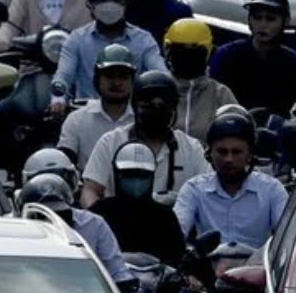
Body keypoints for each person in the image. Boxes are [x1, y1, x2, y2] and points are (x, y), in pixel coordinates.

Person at [81, 70, 212, 206]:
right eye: (148, 105)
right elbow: (90, 190)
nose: (156, 110)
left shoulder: (191, 148)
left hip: (174, 225)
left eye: (163, 105)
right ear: (135, 106)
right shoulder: (111, 142)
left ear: (174, 108)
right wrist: (97, 222)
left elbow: (207, 194)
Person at [174, 111, 287, 250]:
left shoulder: (272, 189)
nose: (229, 159)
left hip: (257, 268)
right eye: (222, 152)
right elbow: (178, 233)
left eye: (236, 152)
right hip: (208, 268)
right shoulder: (194, 189)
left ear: (249, 155)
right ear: (209, 154)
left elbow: (287, 238)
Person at [52, 0, 168, 104]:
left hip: (131, 117)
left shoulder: (143, 40)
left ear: (127, 3)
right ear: (91, 3)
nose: (109, 5)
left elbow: (161, 74)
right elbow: (63, 75)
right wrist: (58, 98)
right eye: (102, 0)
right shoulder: (77, 39)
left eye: (117, 0)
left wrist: (163, 91)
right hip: (86, 115)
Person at [210, 0, 296, 116]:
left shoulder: (294, 62)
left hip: (279, 131)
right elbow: (211, 98)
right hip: (232, 127)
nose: (262, 25)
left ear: (285, 21)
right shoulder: (225, 55)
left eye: (270, 19)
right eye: (257, 17)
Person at [20, 174, 132, 285]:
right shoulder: (14, 232)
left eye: (61, 214)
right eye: (43, 216)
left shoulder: (94, 224)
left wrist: (126, 290)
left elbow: (116, 270)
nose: (55, 220)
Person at [87, 141, 185, 266]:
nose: (136, 181)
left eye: (143, 176)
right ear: (117, 175)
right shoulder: (99, 214)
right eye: (129, 175)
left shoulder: (165, 217)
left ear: (152, 176)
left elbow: (177, 260)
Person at [57, 43, 138, 170]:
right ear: (97, 79)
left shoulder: (142, 119)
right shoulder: (76, 120)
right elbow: (63, 163)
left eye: (123, 76)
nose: (116, 83)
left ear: (133, 81)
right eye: (110, 76)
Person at [163, 19, 237, 139]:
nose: (186, 59)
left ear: (210, 53)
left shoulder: (221, 95)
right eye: (179, 52)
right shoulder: (157, 89)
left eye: (194, 53)